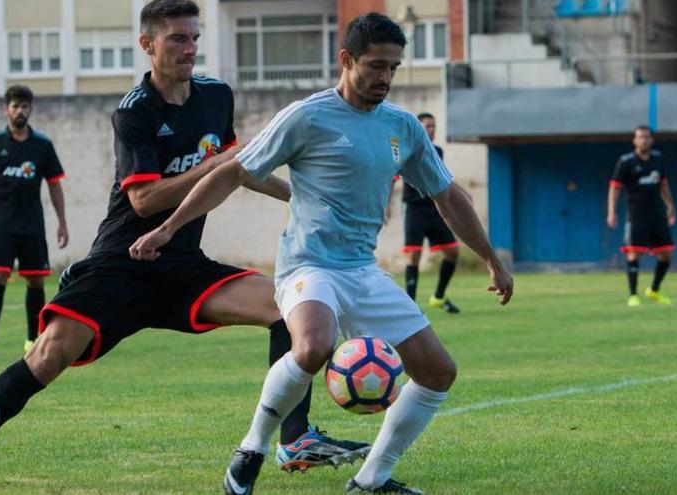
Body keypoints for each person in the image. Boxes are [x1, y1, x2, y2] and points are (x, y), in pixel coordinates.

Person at [0, 1, 365, 491]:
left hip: (182, 266)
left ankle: (294, 438)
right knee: (45, 359)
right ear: (147, 45)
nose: (190, 49)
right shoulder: (132, 112)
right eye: (177, 38)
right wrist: (213, 167)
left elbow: (243, 167)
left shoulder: (217, 97)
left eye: (194, 38)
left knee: (290, 307)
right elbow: (146, 198)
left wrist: (305, 198)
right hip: (120, 264)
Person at [129, 12, 513, 494]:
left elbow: (448, 195)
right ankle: (252, 447)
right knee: (313, 346)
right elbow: (233, 172)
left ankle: (371, 480)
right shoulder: (306, 116)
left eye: (393, 67)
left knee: (438, 372)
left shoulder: (403, 127)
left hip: (361, 271)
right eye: (375, 65)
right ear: (346, 60)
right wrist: (168, 229)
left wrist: (492, 258)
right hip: (307, 266)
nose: (385, 78)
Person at [0, 84, 69, 357]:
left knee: (35, 281)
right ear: (6, 109)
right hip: (3, 226)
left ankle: (32, 341)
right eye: (15, 106)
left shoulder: (42, 145)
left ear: (30, 110)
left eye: (25, 107)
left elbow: (54, 184)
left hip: (33, 225)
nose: (20, 111)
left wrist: (62, 222)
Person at [388, 112, 461, 314]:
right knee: (414, 256)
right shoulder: (406, 149)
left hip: (435, 208)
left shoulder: (437, 151)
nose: (431, 129)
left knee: (453, 252)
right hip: (414, 209)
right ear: (418, 129)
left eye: (433, 126)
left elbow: (444, 178)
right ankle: (410, 305)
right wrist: (387, 206)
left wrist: (463, 194)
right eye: (427, 126)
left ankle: (438, 297)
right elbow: (392, 178)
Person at [606, 125, 676, 307]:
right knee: (634, 254)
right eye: (640, 137)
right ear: (634, 140)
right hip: (636, 216)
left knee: (666, 255)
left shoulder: (658, 159)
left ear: (651, 140)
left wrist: (670, 205)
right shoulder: (626, 161)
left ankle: (654, 290)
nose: (643, 140)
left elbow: (663, 184)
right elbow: (614, 188)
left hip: (657, 214)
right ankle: (633, 295)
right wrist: (611, 211)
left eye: (646, 137)